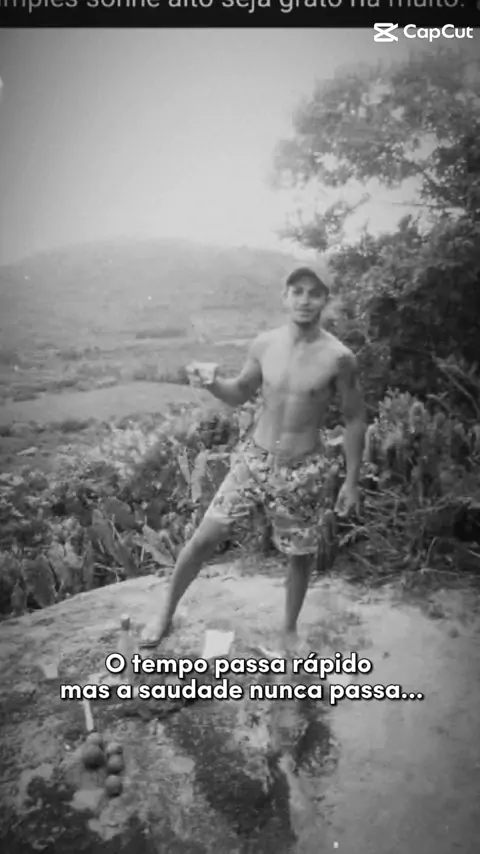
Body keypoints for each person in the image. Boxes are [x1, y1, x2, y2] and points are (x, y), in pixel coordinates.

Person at [140, 267, 366, 652]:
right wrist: (213, 382)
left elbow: (355, 418)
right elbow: (240, 391)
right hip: (254, 461)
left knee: (299, 555)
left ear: (325, 300)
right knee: (203, 539)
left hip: (303, 471)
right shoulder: (265, 344)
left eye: (314, 293)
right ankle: (165, 611)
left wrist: (352, 481)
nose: (305, 300)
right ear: (285, 296)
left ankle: (289, 629)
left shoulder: (339, 358)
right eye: (297, 291)